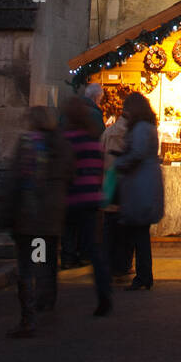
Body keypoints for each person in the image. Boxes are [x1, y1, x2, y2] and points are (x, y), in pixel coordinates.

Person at [0, 104, 74, 337]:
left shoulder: (28, 143)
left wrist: (6, 211)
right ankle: (46, 301)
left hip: (30, 217)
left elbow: (15, 180)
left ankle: (28, 316)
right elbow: (70, 176)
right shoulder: (62, 145)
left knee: (28, 266)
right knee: (46, 260)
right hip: (51, 217)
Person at [62, 95, 112, 316]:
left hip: (70, 198)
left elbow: (64, 170)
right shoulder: (93, 142)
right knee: (94, 248)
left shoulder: (66, 140)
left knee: (50, 241)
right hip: (90, 199)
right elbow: (101, 169)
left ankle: (45, 284)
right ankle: (104, 293)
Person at [114, 92, 164, 291]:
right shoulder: (148, 127)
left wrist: (119, 162)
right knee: (140, 233)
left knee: (138, 233)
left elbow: (137, 153)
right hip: (144, 183)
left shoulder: (141, 128)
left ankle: (140, 274)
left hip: (140, 184)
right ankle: (143, 274)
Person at [101, 97, 133, 279]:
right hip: (126, 185)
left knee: (109, 227)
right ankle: (123, 265)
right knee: (125, 230)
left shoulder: (108, 132)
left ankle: (108, 264)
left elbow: (100, 155)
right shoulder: (133, 134)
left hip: (110, 183)